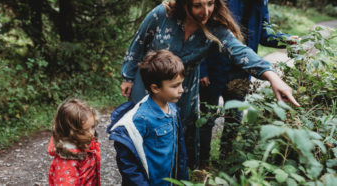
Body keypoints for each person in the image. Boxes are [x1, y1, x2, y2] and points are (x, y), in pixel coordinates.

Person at [120, 0, 300, 169]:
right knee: (140, 135)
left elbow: (241, 52)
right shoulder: (162, 14)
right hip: (147, 85)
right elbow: (138, 43)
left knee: (175, 139)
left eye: (210, 3)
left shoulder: (215, 29)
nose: (205, 12)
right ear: (185, 4)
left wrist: (273, 77)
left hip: (182, 91)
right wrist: (127, 76)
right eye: (198, 5)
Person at [198, 0, 299, 168]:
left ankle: (225, 161)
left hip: (243, 69)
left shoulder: (262, 2)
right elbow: (204, 27)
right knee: (207, 116)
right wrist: (202, 69)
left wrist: (286, 39)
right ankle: (202, 163)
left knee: (235, 117)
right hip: (214, 66)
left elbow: (264, 33)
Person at [109, 50, 188, 185]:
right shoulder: (140, 119)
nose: (181, 89)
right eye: (175, 86)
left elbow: (179, 150)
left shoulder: (173, 110)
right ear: (155, 88)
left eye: (181, 83)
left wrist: (183, 180)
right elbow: (127, 162)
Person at [48, 98, 100, 186]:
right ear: (70, 133)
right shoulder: (67, 164)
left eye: (93, 127)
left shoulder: (85, 142)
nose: (92, 133)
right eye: (85, 131)